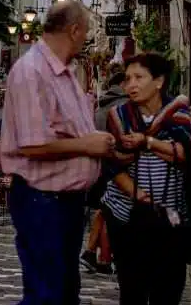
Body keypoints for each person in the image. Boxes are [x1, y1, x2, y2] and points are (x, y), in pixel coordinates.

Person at [1, 0, 116, 305]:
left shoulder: (65, 73)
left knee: (64, 291)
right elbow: (32, 144)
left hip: (65, 201)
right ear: (74, 30)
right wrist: (87, 145)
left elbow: (72, 131)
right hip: (42, 200)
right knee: (46, 294)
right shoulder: (31, 72)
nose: (87, 39)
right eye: (87, 32)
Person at [101, 52, 191, 305]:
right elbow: (111, 165)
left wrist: (148, 142)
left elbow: (187, 155)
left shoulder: (179, 113)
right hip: (126, 214)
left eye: (138, 77)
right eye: (127, 79)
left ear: (159, 81)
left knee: (168, 289)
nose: (131, 84)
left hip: (171, 215)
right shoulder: (118, 117)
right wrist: (139, 194)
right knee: (132, 290)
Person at [82, 72, 128, 275]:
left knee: (104, 210)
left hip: (99, 165)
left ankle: (95, 254)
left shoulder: (100, 106)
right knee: (111, 211)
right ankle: (101, 255)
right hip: (118, 165)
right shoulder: (124, 107)